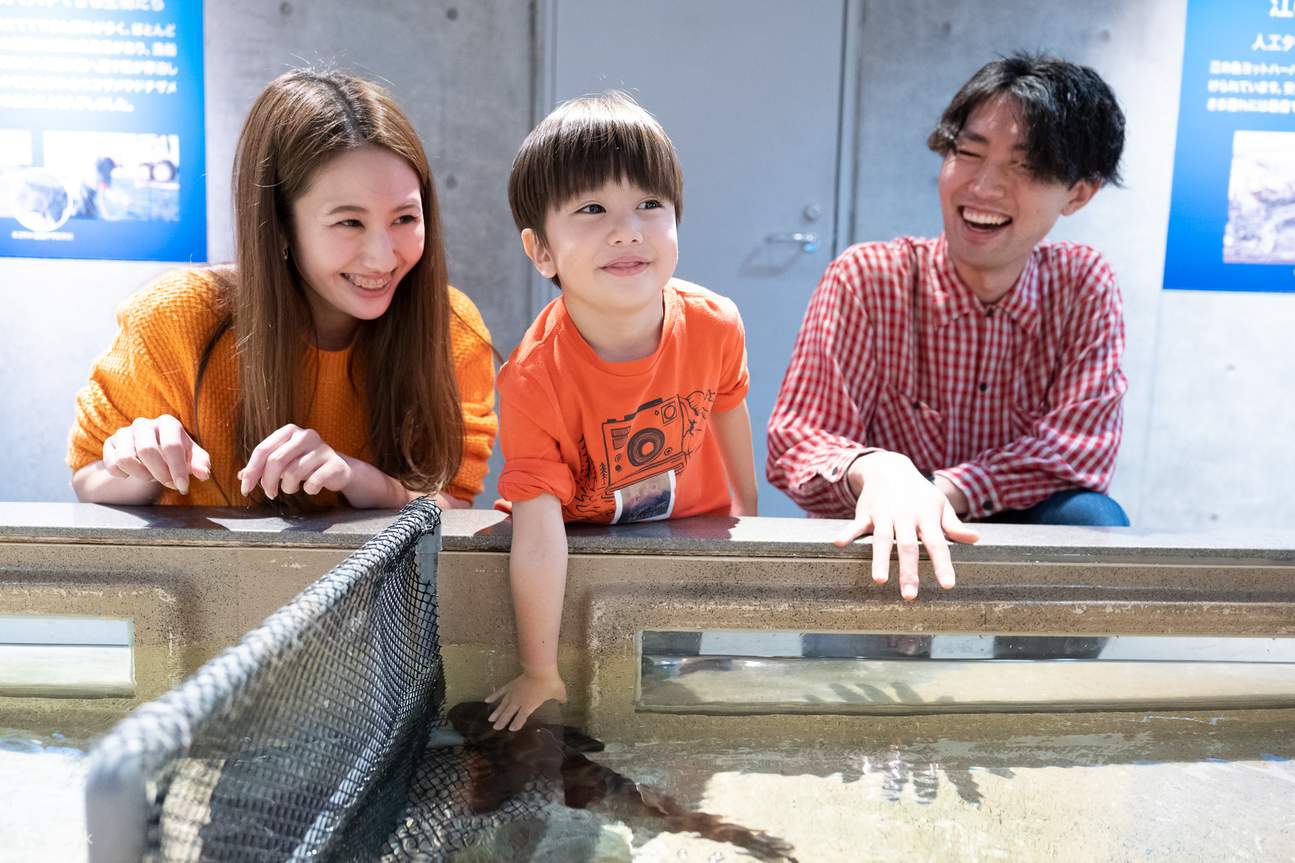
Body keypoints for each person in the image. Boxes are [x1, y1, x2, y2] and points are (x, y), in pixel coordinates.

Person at [767, 53, 1129, 600]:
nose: (984, 187)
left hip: (1013, 533)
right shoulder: (869, 278)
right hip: (884, 537)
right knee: (870, 551)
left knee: (1092, 518)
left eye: (1026, 167)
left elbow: (1079, 449)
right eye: (968, 152)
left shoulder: (1082, 284)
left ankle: (1046, 681)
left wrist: (943, 489)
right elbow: (798, 440)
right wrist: (877, 469)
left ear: (1079, 193)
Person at [68, 69, 497, 510]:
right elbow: (88, 478)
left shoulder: (451, 325)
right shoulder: (175, 317)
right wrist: (142, 466)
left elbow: (455, 501)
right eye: (349, 222)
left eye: (404, 218)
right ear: (280, 225)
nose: (383, 257)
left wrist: (364, 480)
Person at [486, 92, 757, 730]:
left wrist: (750, 520)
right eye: (591, 209)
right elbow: (539, 536)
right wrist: (539, 669)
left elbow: (729, 413)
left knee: (688, 724)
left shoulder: (716, 323)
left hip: (686, 544)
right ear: (541, 251)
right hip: (582, 558)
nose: (627, 229)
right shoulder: (533, 377)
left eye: (649, 205)